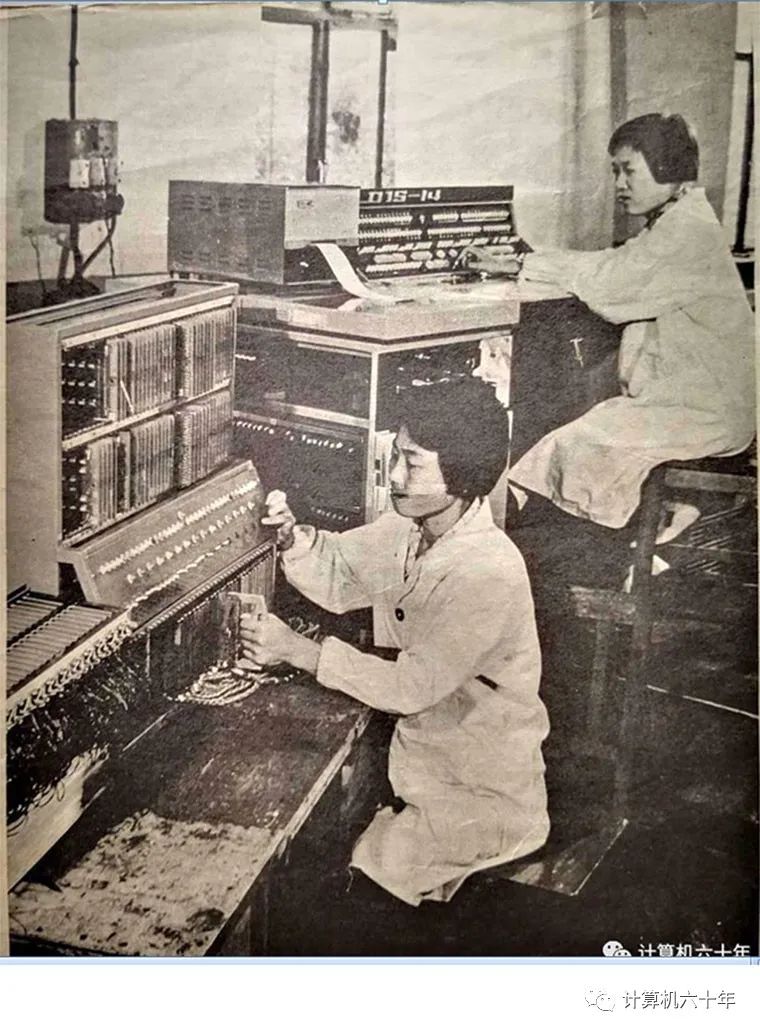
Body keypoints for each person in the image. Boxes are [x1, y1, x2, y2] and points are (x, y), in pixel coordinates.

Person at [240, 380, 550, 907]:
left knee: (354, 887)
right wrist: (291, 538)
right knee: (331, 863)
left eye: (413, 462)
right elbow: (338, 569)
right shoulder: (409, 530)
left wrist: (295, 649)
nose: (395, 476)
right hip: (426, 772)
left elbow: (412, 687)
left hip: (481, 798)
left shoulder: (488, 570)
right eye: (395, 455)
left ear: (462, 471)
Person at [464, 113, 755, 574]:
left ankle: (526, 555)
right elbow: (611, 263)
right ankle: (630, 545)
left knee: (574, 441)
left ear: (666, 168)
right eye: (616, 171)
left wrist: (520, 264)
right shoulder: (677, 221)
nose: (619, 184)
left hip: (704, 411)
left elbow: (613, 282)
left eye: (628, 170)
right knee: (572, 441)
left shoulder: (686, 232)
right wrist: (523, 262)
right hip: (696, 402)